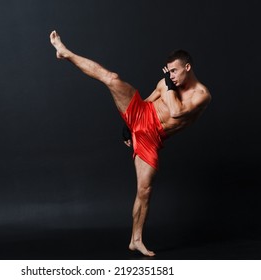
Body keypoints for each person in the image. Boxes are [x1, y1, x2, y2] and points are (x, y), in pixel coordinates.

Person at [49, 30, 211, 257]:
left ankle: (136, 240)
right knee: (112, 78)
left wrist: (168, 86)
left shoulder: (201, 95)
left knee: (144, 190)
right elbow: (148, 101)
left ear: (187, 68)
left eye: (174, 71)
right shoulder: (166, 83)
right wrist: (129, 124)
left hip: (152, 138)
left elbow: (175, 112)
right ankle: (65, 53)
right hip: (141, 116)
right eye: (169, 71)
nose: (170, 75)